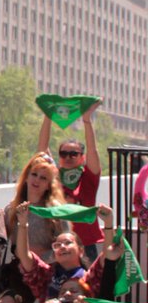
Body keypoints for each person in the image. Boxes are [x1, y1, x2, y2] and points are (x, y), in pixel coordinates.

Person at [14, 204, 120, 303]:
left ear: (81, 250)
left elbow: (108, 256)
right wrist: (23, 224)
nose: (62, 247)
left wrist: (108, 224)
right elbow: (24, 255)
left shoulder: (88, 279)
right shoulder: (46, 275)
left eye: (68, 243)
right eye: (57, 245)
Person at [38, 100, 103, 260]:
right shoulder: (54, 174)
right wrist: (48, 116)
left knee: (86, 285)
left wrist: (87, 120)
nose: (68, 157)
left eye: (74, 154)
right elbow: (41, 150)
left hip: (85, 245)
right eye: (63, 154)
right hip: (58, 244)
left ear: (82, 157)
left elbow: (93, 150)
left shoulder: (88, 176)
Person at [0, 153, 66, 266]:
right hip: (19, 272)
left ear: (48, 185)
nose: (37, 180)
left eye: (43, 178)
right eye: (34, 174)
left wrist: (37, 257)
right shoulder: (11, 209)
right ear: (26, 177)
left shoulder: (56, 211)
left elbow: (66, 245)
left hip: (48, 272)